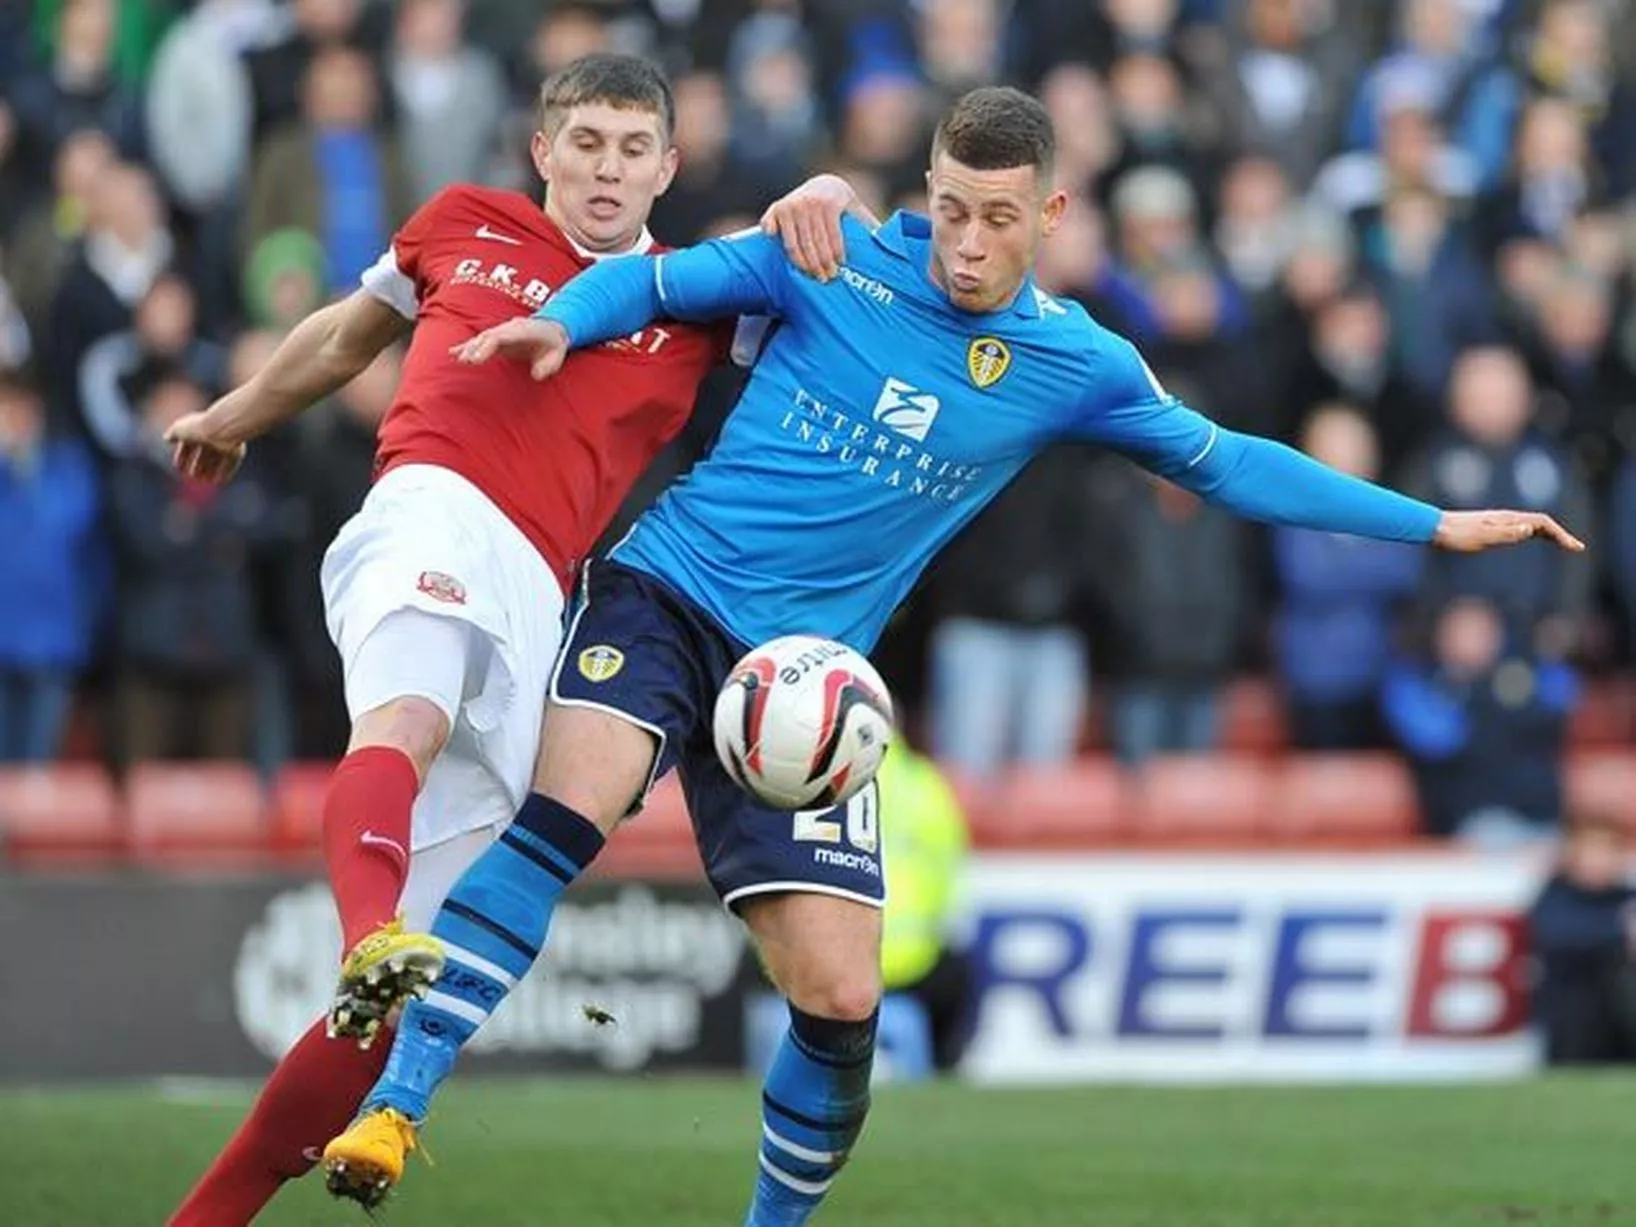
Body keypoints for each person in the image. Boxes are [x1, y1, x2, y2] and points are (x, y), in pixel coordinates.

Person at [323, 86, 1583, 1226]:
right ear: (922, 193)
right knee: (566, 809)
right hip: (667, 590)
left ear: (1050, 211)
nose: (966, 246)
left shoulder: (1078, 365)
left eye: (995, 220)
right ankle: (400, 1105)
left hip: (807, 688)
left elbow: (1234, 463)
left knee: (841, 998)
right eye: (947, 212)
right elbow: (655, 288)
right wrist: (559, 322)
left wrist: (1431, 522)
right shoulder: (833, 255)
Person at [162, 53, 860, 1226]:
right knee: (407, 718)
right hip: (429, 503)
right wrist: (233, 417)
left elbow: (854, 314)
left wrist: (833, 188)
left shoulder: (694, 296)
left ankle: (208, 1211)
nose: (606, 168)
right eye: (585, 142)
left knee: (389, 1007)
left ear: (668, 167)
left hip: (546, 599)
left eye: (633, 149)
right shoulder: (457, 224)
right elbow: (345, 337)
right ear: (542, 151)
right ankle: (363, 931)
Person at [1530, 814, 1636, 1064]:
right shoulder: (1556, 897)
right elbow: (1560, 937)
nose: (1600, 861)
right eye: (1592, 852)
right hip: (1573, 1026)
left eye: (1608, 852)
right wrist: (1621, 933)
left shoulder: (1626, 897)